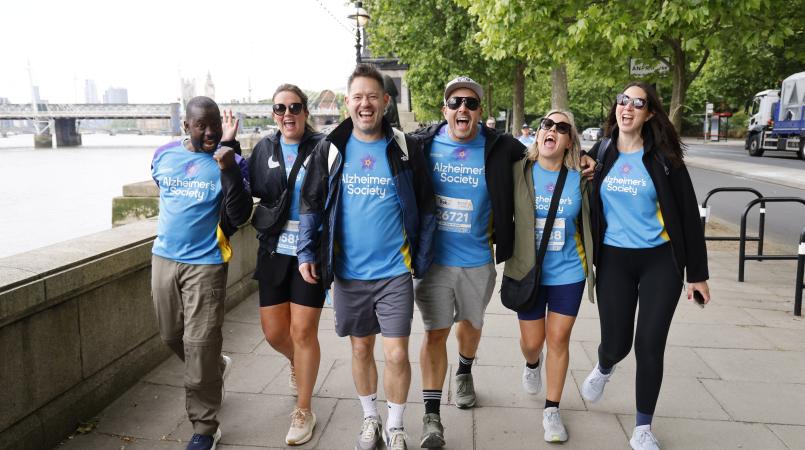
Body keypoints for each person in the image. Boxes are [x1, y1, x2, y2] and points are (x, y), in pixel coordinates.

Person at [296, 63, 436, 450]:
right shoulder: (331, 148)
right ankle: (370, 418)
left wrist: (421, 260)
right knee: (360, 348)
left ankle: (395, 425)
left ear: (385, 101)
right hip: (348, 273)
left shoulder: (405, 148)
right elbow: (310, 203)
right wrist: (306, 250)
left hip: (394, 272)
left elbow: (427, 207)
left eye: (372, 96)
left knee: (396, 354)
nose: (365, 104)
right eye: (358, 97)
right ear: (347, 102)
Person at [581, 82, 710, 450]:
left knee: (649, 345)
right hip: (614, 260)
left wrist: (697, 275)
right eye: (623, 100)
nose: (628, 108)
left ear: (649, 113)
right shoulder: (601, 152)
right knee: (617, 343)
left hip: (660, 261)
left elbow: (688, 217)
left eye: (638, 103)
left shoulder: (665, 159)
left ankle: (642, 428)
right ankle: (605, 365)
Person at [411, 76, 526, 448]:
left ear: (479, 111)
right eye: (455, 102)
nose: (463, 108)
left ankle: (463, 370)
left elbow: (545, 156)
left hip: (477, 260)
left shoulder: (501, 147)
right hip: (433, 261)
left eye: (471, 103)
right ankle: (432, 417)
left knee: (470, 326)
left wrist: (587, 160)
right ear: (444, 110)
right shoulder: (421, 145)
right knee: (435, 332)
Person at [150, 96, 252, 450]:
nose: (210, 132)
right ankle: (215, 365)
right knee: (170, 335)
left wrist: (229, 170)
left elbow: (240, 216)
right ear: (186, 126)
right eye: (201, 126)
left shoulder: (231, 161)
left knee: (199, 344)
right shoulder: (163, 155)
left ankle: (205, 427)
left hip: (207, 262)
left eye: (215, 125)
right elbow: (165, 192)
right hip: (163, 258)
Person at [503, 110, 595, 443]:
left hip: (569, 271)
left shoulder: (580, 178)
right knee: (533, 343)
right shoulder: (518, 171)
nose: (551, 130)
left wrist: (592, 160)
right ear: (538, 134)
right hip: (527, 271)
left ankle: (552, 410)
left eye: (561, 127)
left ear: (570, 141)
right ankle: (532, 364)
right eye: (546, 125)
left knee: (558, 339)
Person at [248, 84, 325, 445]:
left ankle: (304, 409)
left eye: (294, 107)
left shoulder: (323, 147)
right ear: (273, 114)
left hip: (310, 252)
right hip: (274, 249)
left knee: (303, 331)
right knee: (274, 333)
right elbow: (245, 190)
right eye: (280, 109)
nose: (288, 114)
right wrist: (228, 149)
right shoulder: (264, 148)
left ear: (306, 112)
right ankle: (299, 363)